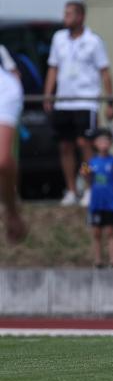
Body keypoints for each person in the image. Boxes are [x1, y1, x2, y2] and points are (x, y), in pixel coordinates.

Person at [43, 0, 113, 207]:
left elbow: (105, 73)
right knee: (65, 146)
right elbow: (53, 68)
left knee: (85, 145)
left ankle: (88, 186)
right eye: (64, 14)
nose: (65, 18)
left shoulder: (93, 41)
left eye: (69, 14)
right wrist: (48, 94)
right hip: (64, 102)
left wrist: (110, 102)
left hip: (86, 100)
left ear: (81, 16)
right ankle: (71, 190)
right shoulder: (59, 39)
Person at [83, 128, 113, 268]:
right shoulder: (91, 161)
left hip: (110, 202)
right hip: (96, 202)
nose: (104, 143)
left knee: (110, 231)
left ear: (111, 143)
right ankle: (98, 260)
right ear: (95, 143)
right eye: (100, 140)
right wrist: (85, 175)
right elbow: (88, 179)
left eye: (106, 140)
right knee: (96, 232)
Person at [0, 51, 26, 243]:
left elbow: (16, 75)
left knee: (2, 161)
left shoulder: (8, 86)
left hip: (5, 94)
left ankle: (11, 211)